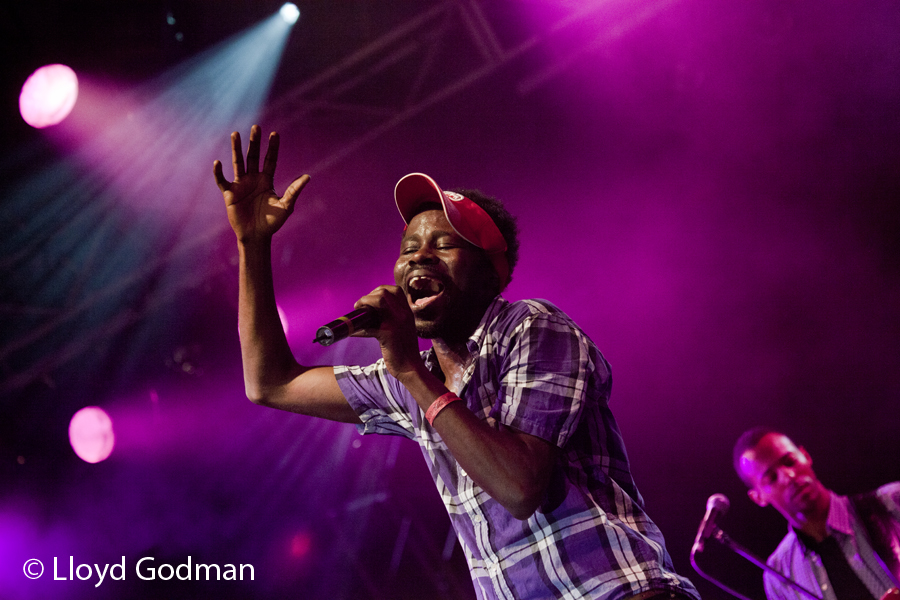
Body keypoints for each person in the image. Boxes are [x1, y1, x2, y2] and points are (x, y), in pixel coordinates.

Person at [213, 125, 700, 600]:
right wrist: (252, 244)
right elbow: (270, 383)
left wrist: (409, 371)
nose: (418, 258)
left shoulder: (531, 327)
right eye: (408, 249)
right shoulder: (411, 376)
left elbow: (520, 486)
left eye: (442, 245)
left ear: (493, 270)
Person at [733, 427, 900, 600]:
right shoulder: (778, 574)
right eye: (772, 478)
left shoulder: (892, 502)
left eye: (789, 462)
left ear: (805, 455)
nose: (789, 476)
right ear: (758, 497)